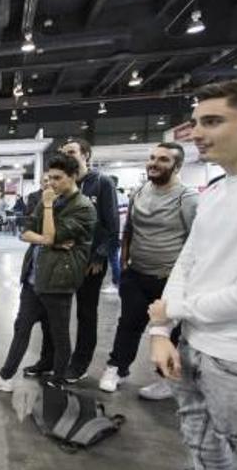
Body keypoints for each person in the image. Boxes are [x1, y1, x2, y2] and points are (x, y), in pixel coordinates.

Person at [148, 79, 237, 469]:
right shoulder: (215, 191)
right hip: (193, 350)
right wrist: (161, 331)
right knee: (204, 454)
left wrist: (173, 311)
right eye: (195, 122)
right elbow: (187, 262)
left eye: (211, 122)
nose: (196, 134)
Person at [0, 153, 96, 391]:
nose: (51, 183)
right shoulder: (45, 200)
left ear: (73, 177)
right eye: (49, 177)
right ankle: (5, 376)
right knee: (21, 328)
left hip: (58, 280)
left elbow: (52, 235)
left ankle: (58, 380)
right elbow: (26, 232)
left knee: (59, 334)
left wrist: (49, 213)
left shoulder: (83, 207)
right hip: (33, 277)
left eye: (58, 178)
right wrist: (44, 239)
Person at [97, 143, 198, 399]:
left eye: (163, 159)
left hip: (169, 279)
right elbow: (129, 229)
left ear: (177, 165)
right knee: (128, 324)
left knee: (169, 331)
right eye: (152, 158)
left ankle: (167, 379)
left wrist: (186, 281)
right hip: (136, 274)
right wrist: (124, 263)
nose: (154, 163)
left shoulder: (187, 198)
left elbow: (196, 242)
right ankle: (117, 368)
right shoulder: (140, 191)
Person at [25, 138, 119, 382]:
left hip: (89, 261)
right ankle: (49, 359)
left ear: (85, 155)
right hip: (56, 261)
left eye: (72, 152)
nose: (67, 155)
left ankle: (79, 363)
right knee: (52, 314)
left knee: (86, 314)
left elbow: (111, 226)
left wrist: (99, 256)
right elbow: (41, 228)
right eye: (63, 152)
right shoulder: (57, 187)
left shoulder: (101, 183)